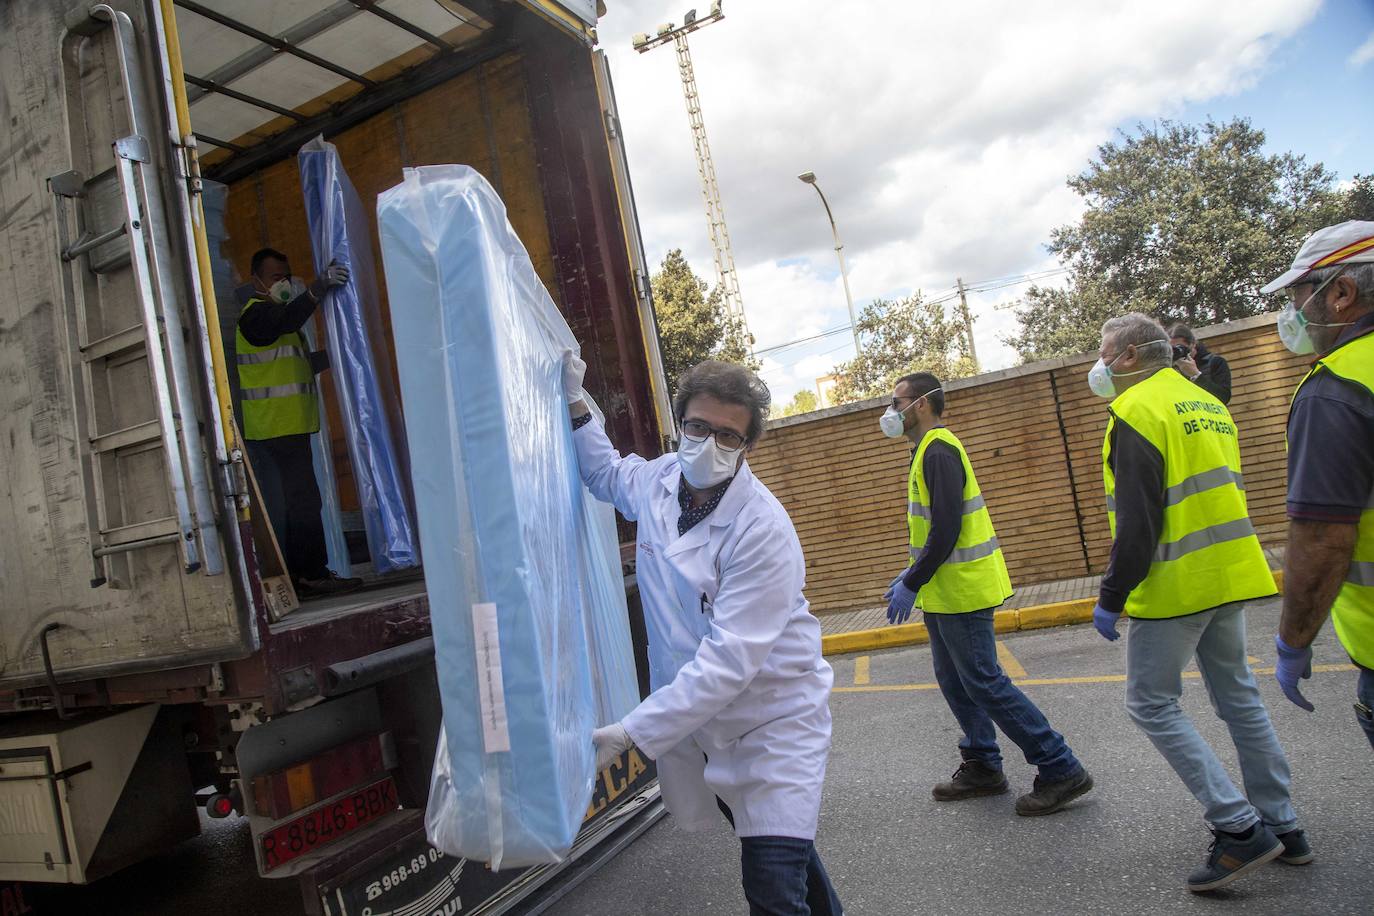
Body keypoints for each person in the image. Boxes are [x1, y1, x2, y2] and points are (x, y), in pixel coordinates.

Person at [564, 358, 841, 916]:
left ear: (746, 446)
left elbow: (729, 662)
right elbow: (605, 472)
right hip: (705, 724)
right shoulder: (660, 481)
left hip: (771, 725)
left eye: (727, 435)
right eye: (697, 427)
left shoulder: (762, 530)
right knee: (784, 852)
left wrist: (632, 732)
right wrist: (574, 402)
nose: (708, 443)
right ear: (680, 424)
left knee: (771, 886)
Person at [1087, 313, 1307, 892]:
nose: (1101, 365)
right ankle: (1284, 825)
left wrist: (1112, 594)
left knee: (1151, 704)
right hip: (1230, 574)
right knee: (1239, 698)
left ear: (1131, 356)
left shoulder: (1136, 411)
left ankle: (1238, 829)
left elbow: (1139, 521)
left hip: (1176, 583)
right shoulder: (1207, 404)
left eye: (1106, 353)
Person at [879, 372, 1093, 816]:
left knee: (984, 681)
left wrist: (912, 581)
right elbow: (932, 532)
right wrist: (912, 572)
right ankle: (982, 765)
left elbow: (947, 528)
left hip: (964, 590)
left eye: (896, 402)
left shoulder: (938, 449)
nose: (890, 411)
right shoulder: (924, 452)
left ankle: (1060, 765)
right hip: (944, 592)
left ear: (921, 404)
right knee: (955, 680)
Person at [1259, 220, 1374, 750]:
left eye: (1300, 295)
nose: (1293, 313)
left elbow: (1323, 537)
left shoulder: (1336, 390)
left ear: (1342, 293)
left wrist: (1293, 640)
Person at [237, 248, 361, 599]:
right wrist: (316, 289)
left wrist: (338, 354)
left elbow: (298, 364)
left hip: (288, 426)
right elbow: (283, 323)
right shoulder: (256, 317)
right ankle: (310, 574)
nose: (284, 282)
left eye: (287, 276)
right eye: (277, 277)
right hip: (275, 427)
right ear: (257, 281)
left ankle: (303, 573)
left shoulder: (279, 320)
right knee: (302, 503)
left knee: (299, 502)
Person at [1169, 324, 1232, 404]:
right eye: (1172, 349)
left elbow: (1224, 397)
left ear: (1193, 344)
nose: (1177, 352)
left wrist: (1196, 375)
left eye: (1180, 347)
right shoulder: (1170, 369)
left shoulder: (1215, 362)